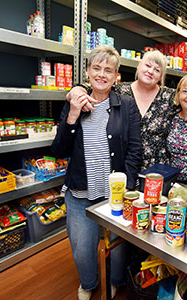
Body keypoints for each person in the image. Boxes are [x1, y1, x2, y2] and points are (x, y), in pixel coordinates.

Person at [51, 46, 142, 300]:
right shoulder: (74, 102)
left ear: (116, 77)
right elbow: (59, 150)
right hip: (80, 193)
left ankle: (116, 280)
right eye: (97, 68)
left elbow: (135, 149)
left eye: (108, 70)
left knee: (118, 246)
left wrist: (129, 189)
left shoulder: (126, 105)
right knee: (82, 249)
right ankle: (89, 284)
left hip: (115, 195)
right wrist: (72, 114)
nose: (102, 74)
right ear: (88, 71)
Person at [67, 50, 187, 171]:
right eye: (148, 66)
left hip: (158, 170)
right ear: (139, 66)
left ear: (161, 76)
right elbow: (94, 86)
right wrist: (75, 90)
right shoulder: (119, 90)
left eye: (157, 70)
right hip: (123, 166)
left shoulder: (169, 96)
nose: (151, 71)